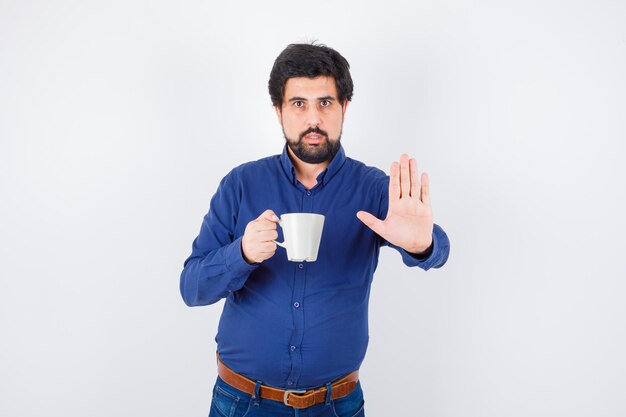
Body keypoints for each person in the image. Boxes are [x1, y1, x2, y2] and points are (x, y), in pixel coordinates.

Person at [180, 42, 450, 417]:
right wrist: (239, 254)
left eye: (325, 103)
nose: (313, 119)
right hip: (242, 403)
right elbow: (192, 289)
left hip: (335, 406)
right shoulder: (241, 184)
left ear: (344, 108)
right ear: (278, 111)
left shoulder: (373, 188)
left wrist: (423, 246)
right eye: (298, 104)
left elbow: (435, 247)